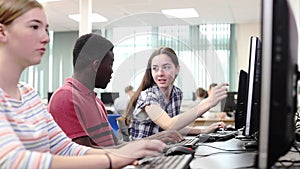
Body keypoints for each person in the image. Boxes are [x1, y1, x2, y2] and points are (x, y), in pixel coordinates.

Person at [0, 0, 168, 168]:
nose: (46, 38)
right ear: (2, 32)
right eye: (34, 27)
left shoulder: (30, 95)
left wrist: (132, 151)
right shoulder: (63, 97)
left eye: (46, 29)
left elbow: (67, 149)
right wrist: (114, 159)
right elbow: (16, 161)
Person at [48, 33, 183, 147]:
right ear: (96, 65)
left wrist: (157, 138)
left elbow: (117, 146)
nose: (112, 71)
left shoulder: (95, 101)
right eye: (110, 64)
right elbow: (83, 155)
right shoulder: (65, 98)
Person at [124, 47, 228, 140]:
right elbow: (169, 125)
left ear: (177, 69)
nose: (160, 73)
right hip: (141, 155)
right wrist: (208, 102)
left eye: (166, 67)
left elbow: (175, 126)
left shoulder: (176, 94)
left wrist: (202, 130)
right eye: (155, 68)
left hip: (162, 150)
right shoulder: (148, 96)